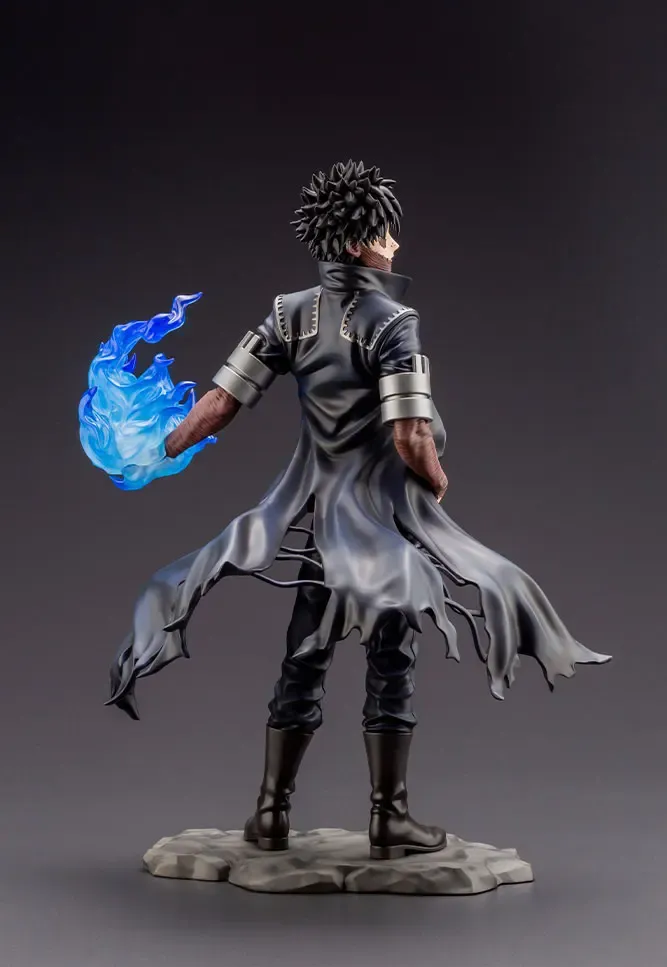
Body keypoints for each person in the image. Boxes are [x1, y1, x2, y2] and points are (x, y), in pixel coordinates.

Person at [107, 160, 610, 861]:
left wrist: (158, 449)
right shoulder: (394, 321)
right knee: (391, 658)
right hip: (381, 522)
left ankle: (270, 814)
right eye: (384, 233)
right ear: (357, 242)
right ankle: (387, 819)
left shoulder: (288, 312)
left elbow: (219, 403)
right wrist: (436, 480)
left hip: (318, 516)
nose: (395, 244)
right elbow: (409, 433)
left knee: (304, 654)